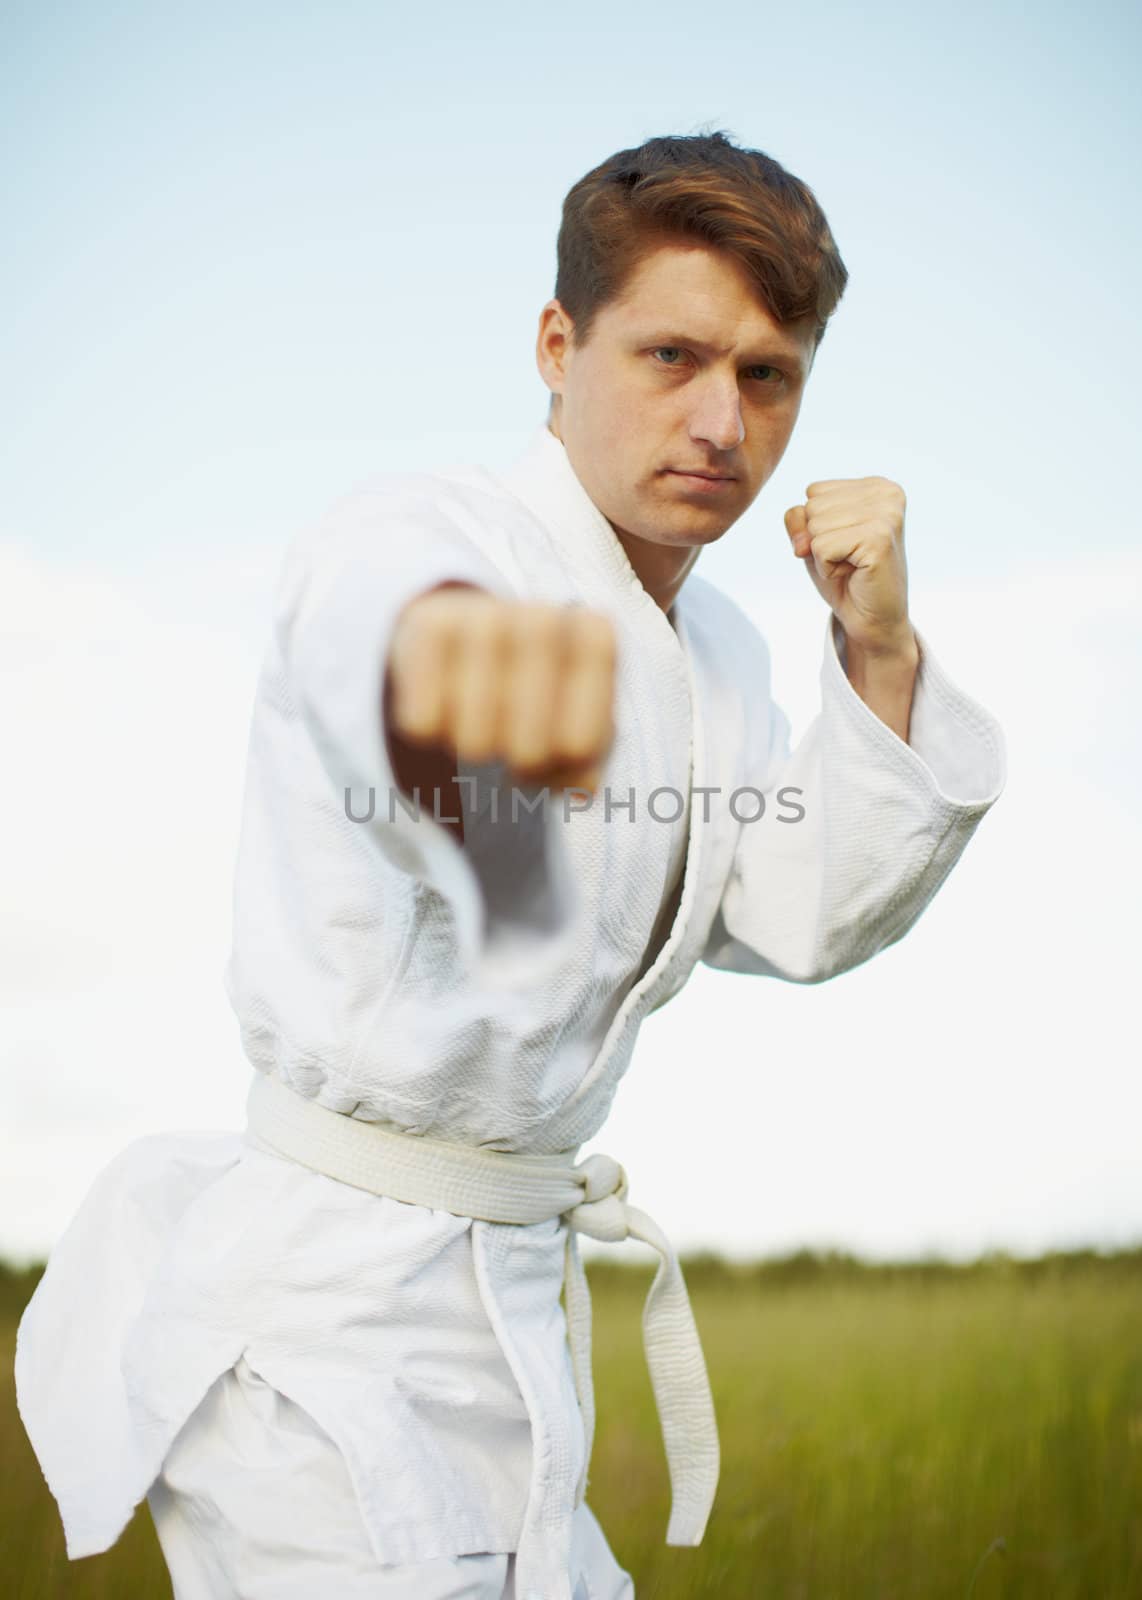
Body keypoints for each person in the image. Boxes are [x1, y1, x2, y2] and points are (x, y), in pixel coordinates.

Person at [15, 130, 1006, 1600]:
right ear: (558, 343)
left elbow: (798, 916)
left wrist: (876, 652)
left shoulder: (723, 659)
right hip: (323, 1323)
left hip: (513, 1310)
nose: (720, 422)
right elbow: (410, 686)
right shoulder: (420, 542)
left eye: (765, 374)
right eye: (670, 356)